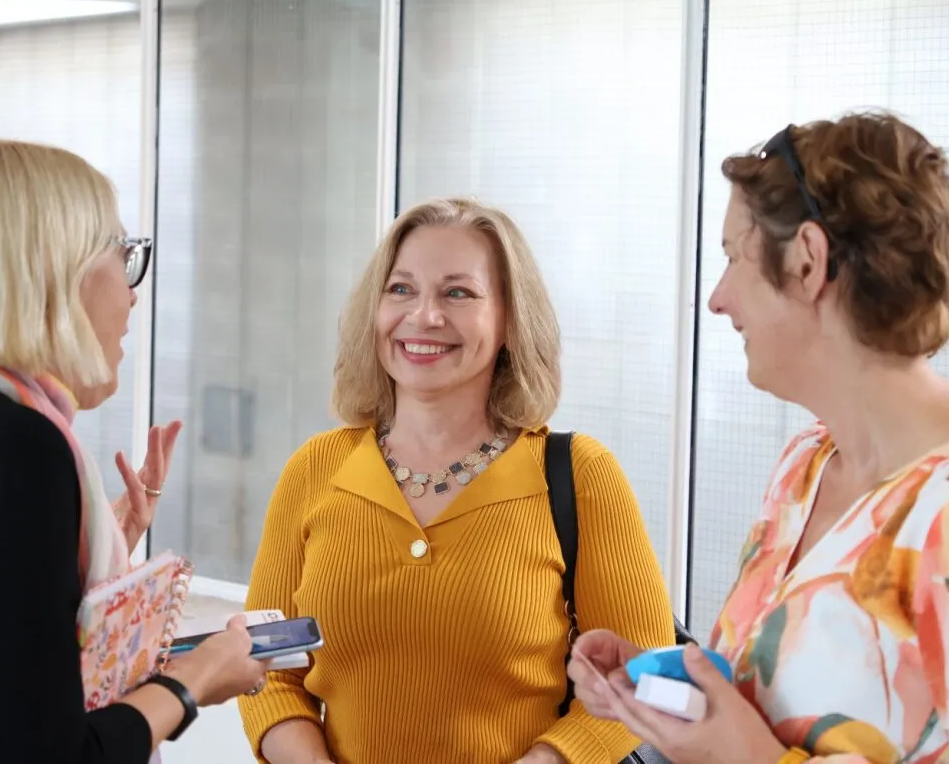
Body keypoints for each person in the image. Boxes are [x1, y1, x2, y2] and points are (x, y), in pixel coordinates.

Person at [566, 113, 949, 764]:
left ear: (806, 262)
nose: (717, 298)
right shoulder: (806, 467)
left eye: (734, 257)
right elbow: (782, 703)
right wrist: (672, 688)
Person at [239, 197, 675, 763]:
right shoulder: (315, 469)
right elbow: (269, 674)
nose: (424, 316)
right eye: (401, 290)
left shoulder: (580, 475)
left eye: (458, 292)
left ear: (511, 324)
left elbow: (636, 682)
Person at [0, 140, 269, 764]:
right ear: (59, 272)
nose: (133, 295)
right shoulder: (16, 452)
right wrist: (193, 680)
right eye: (124, 257)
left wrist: (61, 562)